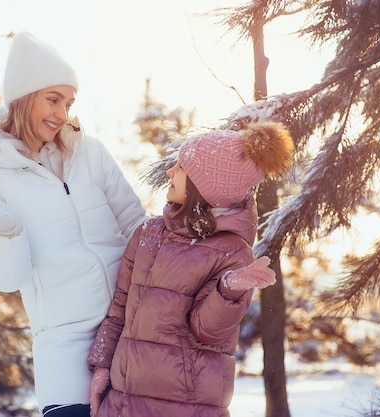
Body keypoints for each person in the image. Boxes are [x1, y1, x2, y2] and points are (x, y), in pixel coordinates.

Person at [0, 32, 147, 417]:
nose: (62, 114)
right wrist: (7, 231)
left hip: (130, 330)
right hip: (65, 347)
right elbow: (5, 280)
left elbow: (136, 228)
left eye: (69, 102)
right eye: (52, 100)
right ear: (23, 97)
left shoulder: (88, 150)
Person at [87, 121, 295, 417]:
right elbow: (120, 308)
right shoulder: (148, 234)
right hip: (123, 403)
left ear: (205, 185)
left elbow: (208, 332)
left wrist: (228, 289)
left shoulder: (233, 252)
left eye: (182, 168)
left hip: (187, 407)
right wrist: (102, 366)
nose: (171, 173)